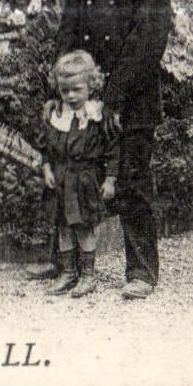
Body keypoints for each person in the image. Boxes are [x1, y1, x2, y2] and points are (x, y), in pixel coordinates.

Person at [28, 0, 172, 299]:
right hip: (82, 98)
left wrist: (113, 97)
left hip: (132, 96)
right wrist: (62, 83)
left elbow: (149, 39)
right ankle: (66, 263)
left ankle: (142, 272)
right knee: (69, 176)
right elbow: (68, 28)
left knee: (131, 182)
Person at [40, 50, 120, 298]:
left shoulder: (96, 116)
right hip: (63, 180)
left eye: (77, 89)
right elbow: (46, 147)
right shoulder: (57, 115)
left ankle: (88, 275)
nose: (71, 96)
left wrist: (110, 179)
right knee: (64, 226)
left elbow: (112, 150)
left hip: (85, 180)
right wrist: (46, 169)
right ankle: (68, 272)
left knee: (84, 227)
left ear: (90, 86)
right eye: (65, 91)